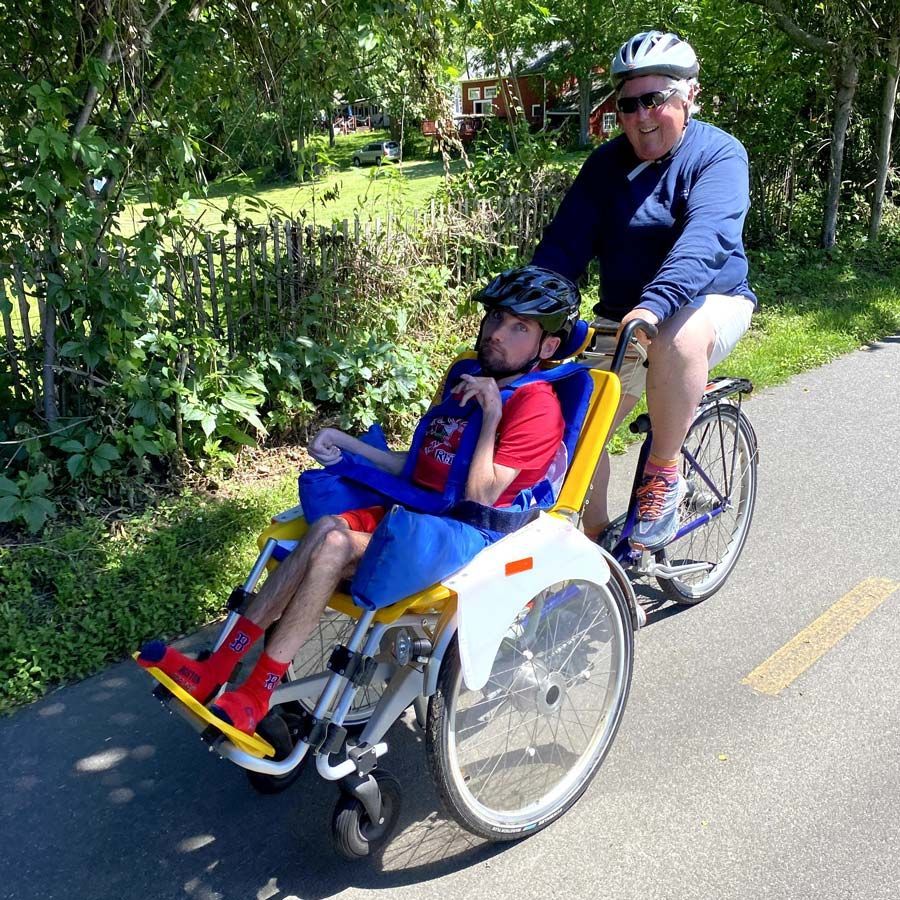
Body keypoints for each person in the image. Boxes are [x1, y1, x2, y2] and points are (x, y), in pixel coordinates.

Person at [137, 266, 580, 735]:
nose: (496, 334)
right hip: (419, 514)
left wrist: (493, 413)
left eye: (519, 328)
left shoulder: (536, 407)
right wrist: (347, 444)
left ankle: (255, 689)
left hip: (470, 536)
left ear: (546, 347)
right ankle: (221, 671)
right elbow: (415, 466)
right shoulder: (466, 377)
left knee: (332, 543)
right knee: (327, 527)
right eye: (496, 319)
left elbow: (480, 495)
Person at [532, 30, 756, 551]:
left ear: (689, 95)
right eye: (627, 104)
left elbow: (707, 239)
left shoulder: (719, 155)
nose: (640, 116)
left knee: (676, 338)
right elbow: (563, 247)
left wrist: (655, 305)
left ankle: (662, 475)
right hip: (623, 315)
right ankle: (595, 547)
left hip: (710, 301)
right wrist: (529, 311)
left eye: (654, 100)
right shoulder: (605, 167)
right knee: (570, 429)